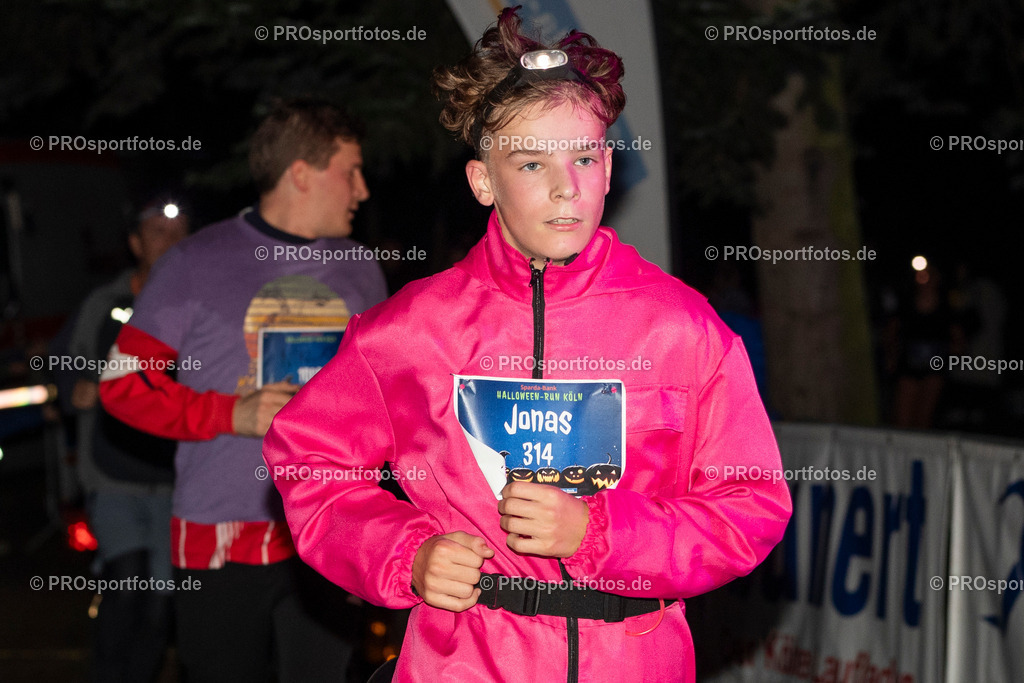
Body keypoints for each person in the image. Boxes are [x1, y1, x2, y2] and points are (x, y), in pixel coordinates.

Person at [263, 10, 792, 682]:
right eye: (533, 162)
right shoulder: (409, 331)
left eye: (584, 158)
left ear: (609, 168)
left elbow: (750, 506)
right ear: (483, 181)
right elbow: (310, 460)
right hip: (464, 662)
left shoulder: (683, 329)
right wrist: (407, 553)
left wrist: (599, 533)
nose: (566, 186)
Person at [99, 98, 387, 682]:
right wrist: (231, 413)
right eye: (351, 172)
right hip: (221, 536)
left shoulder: (361, 266)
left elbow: (382, 392)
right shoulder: (194, 262)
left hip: (331, 526)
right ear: (301, 174)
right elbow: (122, 384)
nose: (362, 191)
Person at [67, 197, 188, 682]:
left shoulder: (201, 306)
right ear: (136, 243)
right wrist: (73, 386)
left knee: (160, 605)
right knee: (126, 583)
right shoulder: (104, 304)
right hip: (114, 476)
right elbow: (65, 359)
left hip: (179, 483)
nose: (170, 242)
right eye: (157, 233)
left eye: (178, 233)